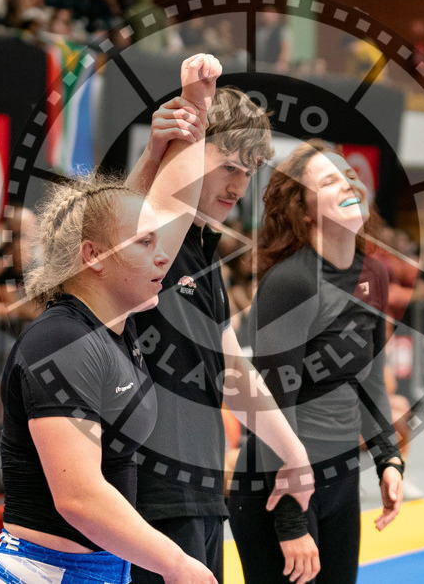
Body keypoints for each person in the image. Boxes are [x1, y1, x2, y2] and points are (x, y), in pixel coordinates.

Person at [0, 54, 221, 584]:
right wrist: (178, 565)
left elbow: (161, 212)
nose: (164, 255)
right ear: (92, 258)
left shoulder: (114, 323)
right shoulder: (62, 340)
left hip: (100, 570)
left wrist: (196, 107)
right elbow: (79, 499)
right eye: (145, 245)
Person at [126, 87, 313, 584]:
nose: (238, 187)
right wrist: (182, 120)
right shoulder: (153, 239)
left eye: (248, 172)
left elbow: (232, 370)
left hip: (203, 491)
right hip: (150, 497)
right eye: (229, 166)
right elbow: (129, 220)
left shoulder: (201, 252)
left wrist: (293, 453)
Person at [229, 140, 403, 584]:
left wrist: (389, 459)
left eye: (350, 176)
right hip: (277, 488)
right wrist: (291, 521)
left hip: (340, 480)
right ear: (303, 211)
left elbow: (370, 380)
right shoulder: (292, 283)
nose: (348, 184)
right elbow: (272, 406)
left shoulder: (373, 274)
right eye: (329, 181)